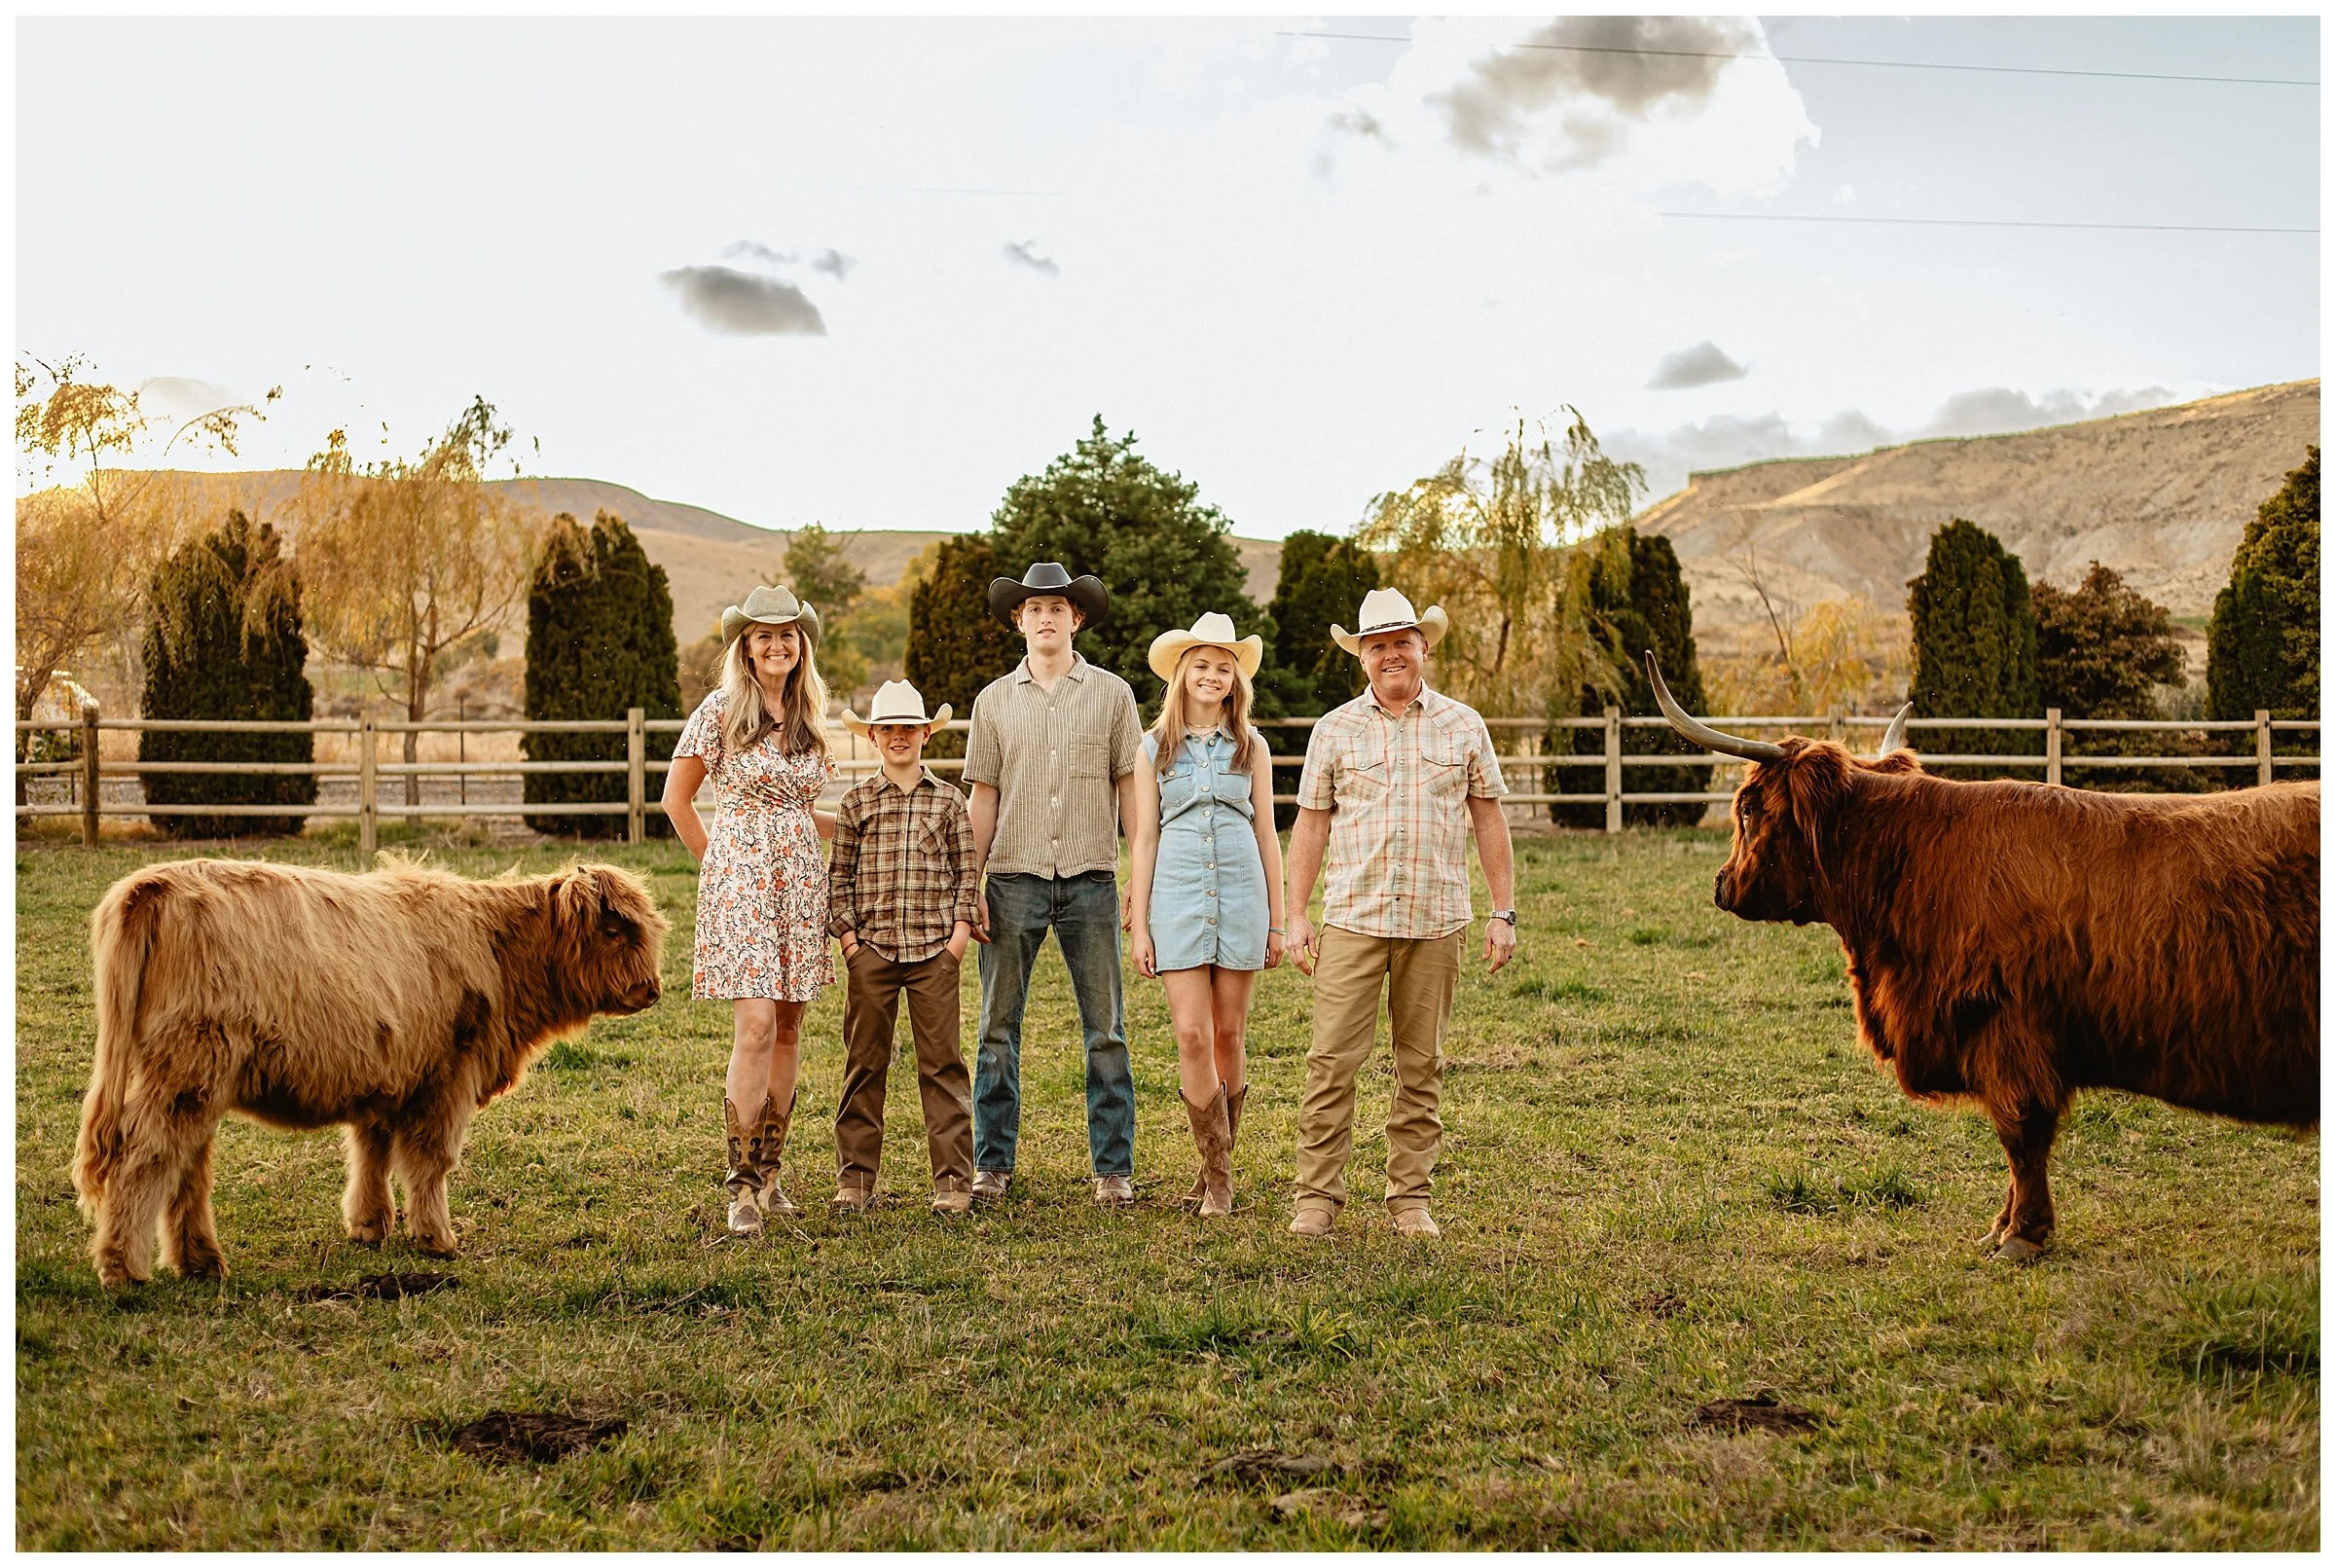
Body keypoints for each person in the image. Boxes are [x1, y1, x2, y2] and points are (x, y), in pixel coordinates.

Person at [1283, 587, 1517, 1241]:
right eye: (1378, 645)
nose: (1392, 655)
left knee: (1422, 1065)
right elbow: (1310, 824)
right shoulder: (1334, 729)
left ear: (1423, 648)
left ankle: (1410, 1196)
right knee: (1331, 1061)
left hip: (1436, 918)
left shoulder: (1464, 725)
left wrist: (1505, 910)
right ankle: (1317, 1196)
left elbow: (1488, 818)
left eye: (1402, 642)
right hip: (1352, 917)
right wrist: (1296, 914)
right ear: (1362, 656)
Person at [964, 562, 1144, 1206]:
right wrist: (970, 882)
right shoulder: (994, 702)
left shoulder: (1113, 695)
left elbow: (1132, 790)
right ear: (1019, 620)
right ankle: (992, 1165)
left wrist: (1136, 878)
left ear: (1077, 618)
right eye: (1033, 608)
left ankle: (1114, 1169)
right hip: (1012, 879)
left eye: (1057, 607)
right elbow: (983, 797)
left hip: (1092, 879)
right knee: (995, 1029)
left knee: (1106, 1030)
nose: (1045, 617)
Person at [662, 584, 837, 1236]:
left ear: (801, 645)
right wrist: (718, 865)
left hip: (798, 880)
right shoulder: (719, 711)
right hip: (741, 883)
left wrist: (857, 825)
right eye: (763, 635)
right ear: (746, 645)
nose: (776, 644)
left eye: (787, 634)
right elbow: (677, 800)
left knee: (790, 1028)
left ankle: (771, 1172)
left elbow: (799, 811)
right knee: (757, 1025)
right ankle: (738, 1182)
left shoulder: (810, 716)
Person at [1124, 613, 1285, 1218]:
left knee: (1229, 1033)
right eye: (1202, 666)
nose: (1213, 676)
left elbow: (1268, 833)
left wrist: (1274, 920)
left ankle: (1216, 1175)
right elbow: (1143, 839)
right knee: (1191, 1034)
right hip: (1179, 894)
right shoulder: (1153, 748)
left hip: (1242, 891)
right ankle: (1217, 1175)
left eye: (1224, 667)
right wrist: (1140, 923)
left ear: (1235, 680)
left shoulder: (1253, 746)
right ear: (1181, 675)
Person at [826, 681, 981, 1217]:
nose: (899, 737)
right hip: (872, 950)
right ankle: (856, 1179)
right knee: (865, 1063)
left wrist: (958, 940)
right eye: (888, 729)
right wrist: (849, 942)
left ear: (925, 736)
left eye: (908, 729)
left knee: (942, 1065)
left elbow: (967, 875)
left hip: (934, 950)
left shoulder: (948, 800)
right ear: (872, 737)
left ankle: (953, 1181)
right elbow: (839, 875)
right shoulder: (857, 802)